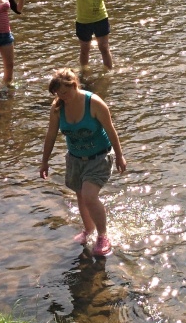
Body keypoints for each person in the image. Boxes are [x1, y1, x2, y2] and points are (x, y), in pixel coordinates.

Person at [40, 68, 127, 256]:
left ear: (75, 86)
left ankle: (103, 236)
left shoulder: (94, 103)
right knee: (80, 195)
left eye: (65, 92)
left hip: (99, 157)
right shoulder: (57, 108)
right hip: (75, 159)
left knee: (89, 196)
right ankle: (88, 230)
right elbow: (51, 135)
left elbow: (110, 130)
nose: (62, 97)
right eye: (58, 94)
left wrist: (120, 156)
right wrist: (44, 161)